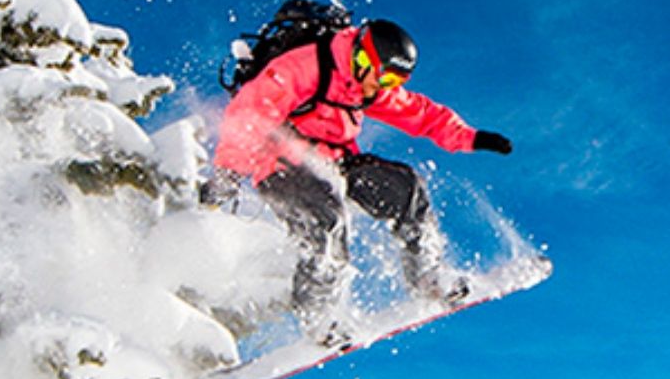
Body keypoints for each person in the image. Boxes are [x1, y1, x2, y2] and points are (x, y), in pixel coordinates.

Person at [211, 17, 512, 339]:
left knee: (406, 189)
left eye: (398, 79)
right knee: (325, 219)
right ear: (363, 58)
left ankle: (427, 276)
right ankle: (318, 315)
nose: (388, 86)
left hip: (335, 163)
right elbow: (251, 113)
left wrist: (472, 138)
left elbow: (420, 112)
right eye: (388, 76)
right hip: (280, 166)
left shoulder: (369, 88)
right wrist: (228, 173)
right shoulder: (303, 67)